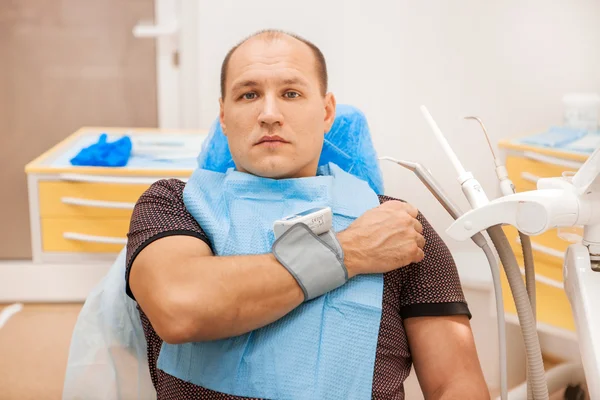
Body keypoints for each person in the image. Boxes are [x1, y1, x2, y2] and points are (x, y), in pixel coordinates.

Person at [126, 29, 490, 399]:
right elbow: (180, 307)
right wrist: (350, 252)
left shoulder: (396, 225)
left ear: (327, 111)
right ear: (224, 113)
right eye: (248, 94)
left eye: (291, 93)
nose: (269, 114)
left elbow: (455, 383)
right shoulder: (175, 205)